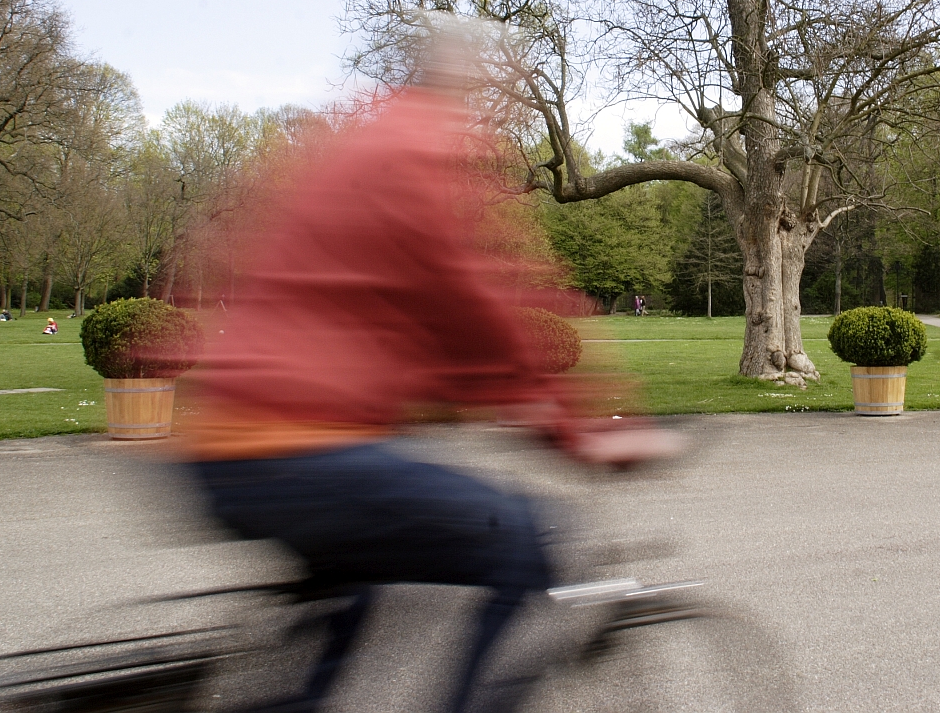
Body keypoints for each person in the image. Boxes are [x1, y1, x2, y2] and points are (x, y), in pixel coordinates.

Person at [181, 84, 680, 713]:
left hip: (226, 443)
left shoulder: (350, 155)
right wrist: (578, 431)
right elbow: (467, 301)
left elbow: (414, 322)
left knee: (352, 591)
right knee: (521, 540)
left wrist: (492, 394)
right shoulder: (415, 154)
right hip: (300, 448)